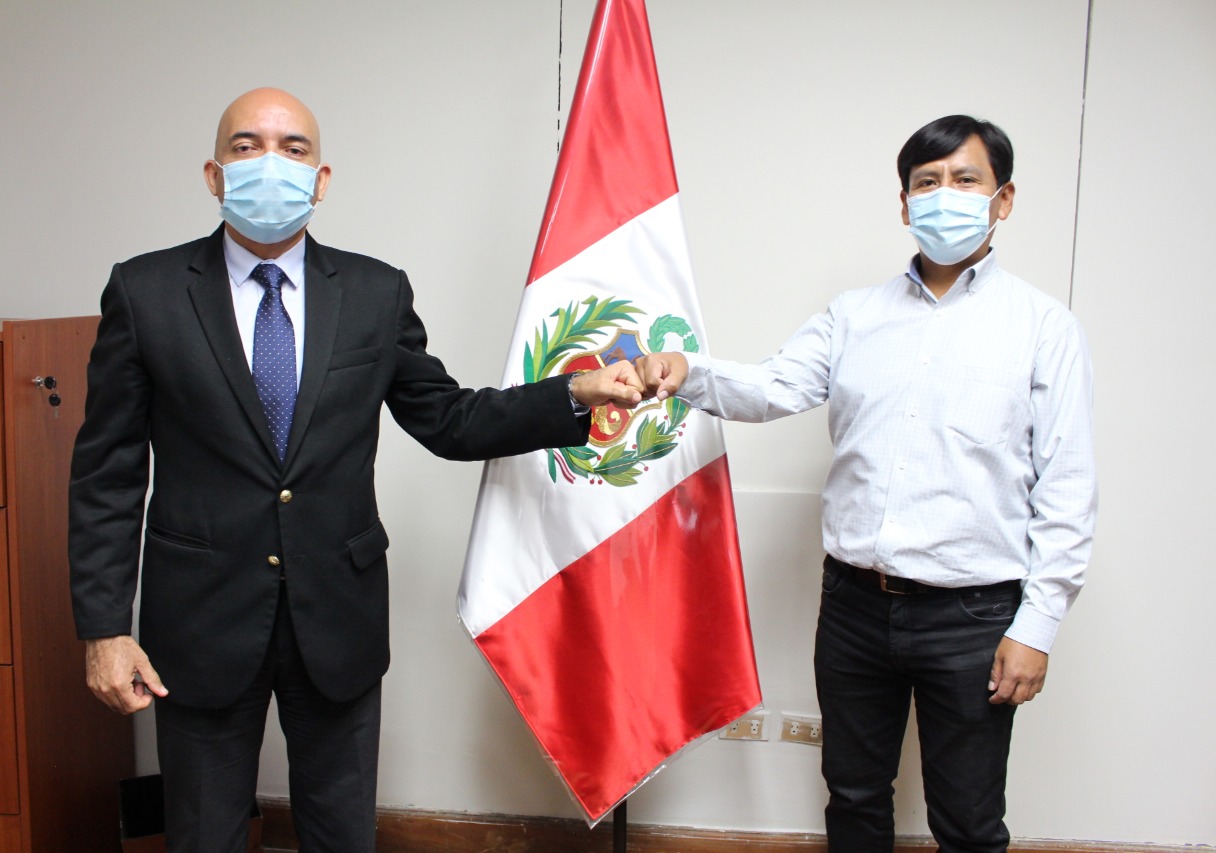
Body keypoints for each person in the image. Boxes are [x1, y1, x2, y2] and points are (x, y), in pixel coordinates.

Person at [69, 87, 644, 853]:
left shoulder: (375, 292)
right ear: (212, 174)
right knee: (201, 835)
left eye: (293, 147)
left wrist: (571, 394)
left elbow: (449, 418)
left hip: (335, 616)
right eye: (246, 146)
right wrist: (105, 626)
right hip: (199, 623)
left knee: (341, 835)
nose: (270, 162)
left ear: (322, 177)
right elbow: (106, 471)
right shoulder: (145, 293)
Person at [636, 115, 1096, 852]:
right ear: (906, 203)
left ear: (1003, 200)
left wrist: (1035, 627)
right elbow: (772, 387)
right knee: (852, 795)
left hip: (974, 617)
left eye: (965, 179)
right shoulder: (854, 317)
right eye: (926, 182)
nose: (945, 195)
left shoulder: (1044, 327)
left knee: (969, 820)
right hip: (854, 607)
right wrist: (689, 372)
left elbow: (1067, 488)